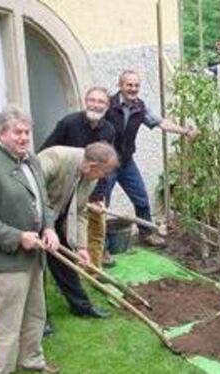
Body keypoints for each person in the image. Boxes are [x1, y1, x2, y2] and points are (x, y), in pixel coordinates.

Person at [0, 105, 60, 374]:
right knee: (8, 324)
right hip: (6, 263)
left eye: (27, 132)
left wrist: (50, 228)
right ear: (1, 135)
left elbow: (43, 200)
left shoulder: (30, 159)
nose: (24, 137)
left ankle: (32, 361)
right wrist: (19, 237)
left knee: (35, 314)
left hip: (35, 256)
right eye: (17, 132)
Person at [104, 70, 196, 248]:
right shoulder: (109, 104)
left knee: (141, 199)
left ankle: (146, 234)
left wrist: (185, 131)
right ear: (120, 85)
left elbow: (160, 122)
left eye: (136, 85)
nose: (133, 89)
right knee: (101, 203)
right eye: (129, 85)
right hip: (107, 164)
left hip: (126, 161)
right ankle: (101, 248)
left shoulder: (140, 107)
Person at [37, 143, 119, 320]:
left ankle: (81, 306)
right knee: (37, 271)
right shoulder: (55, 159)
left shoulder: (91, 177)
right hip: (30, 218)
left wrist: (82, 247)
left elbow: (81, 210)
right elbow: (30, 194)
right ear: (92, 166)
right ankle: (40, 320)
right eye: (104, 172)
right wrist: (45, 228)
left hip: (56, 217)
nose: (105, 177)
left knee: (66, 264)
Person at [40, 86, 116, 269]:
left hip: (91, 184)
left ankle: (93, 268)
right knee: (67, 229)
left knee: (97, 229)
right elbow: (46, 152)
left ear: (107, 106)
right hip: (65, 187)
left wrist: (98, 197)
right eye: (92, 100)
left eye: (101, 102)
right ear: (85, 101)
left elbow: (105, 168)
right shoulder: (69, 123)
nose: (96, 105)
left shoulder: (109, 130)